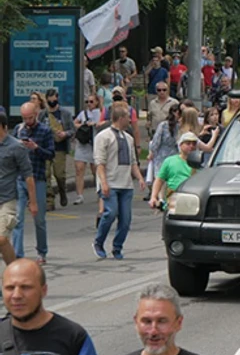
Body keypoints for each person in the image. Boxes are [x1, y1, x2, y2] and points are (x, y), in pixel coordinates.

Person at [0, 258, 104, 355]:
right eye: (10, 288)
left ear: (43, 290)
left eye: (26, 287)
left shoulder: (72, 336)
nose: (16, 295)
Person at [103, 283, 225, 355]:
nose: (153, 331)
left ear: (178, 323)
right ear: (136, 322)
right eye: (147, 321)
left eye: (162, 321)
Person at [93, 104, 145, 260]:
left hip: (126, 184)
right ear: (121, 118)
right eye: (128, 117)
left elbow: (133, 162)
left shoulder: (128, 138)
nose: (130, 120)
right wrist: (104, 183)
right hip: (110, 182)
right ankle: (99, 241)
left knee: (126, 219)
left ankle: (117, 247)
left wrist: (139, 177)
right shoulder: (103, 137)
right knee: (110, 213)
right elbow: (100, 163)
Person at [11, 102, 54, 264]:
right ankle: (18, 254)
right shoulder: (18, 129)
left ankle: (42, 252)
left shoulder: (45, 131)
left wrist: (36, 147)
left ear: (36, 114)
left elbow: (50, 154)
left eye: (30, 117)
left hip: (37, 178)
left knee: (39, 219)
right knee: (18, 218)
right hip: (20, 178)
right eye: (24, 118)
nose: (27, 121)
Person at [0, 114, 38, 265]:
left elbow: (28, 175)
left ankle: (13, 270)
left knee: (1, 238)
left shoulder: (16, 146)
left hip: (7, 200)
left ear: (3, 127)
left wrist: (33, 202)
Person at [40, 88, 75, 209]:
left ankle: (62, 190)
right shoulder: (43, 114)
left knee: (59, 174)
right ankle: (49, 201)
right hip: (45, 148)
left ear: (57, 98)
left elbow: (72, 129)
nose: (51, 102)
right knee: (46, 174)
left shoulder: (65, 113)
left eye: (53, 99)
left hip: (59, 147)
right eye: (49, 100)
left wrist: (65, 134)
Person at [149, 132, 198, 211]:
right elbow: (159, 180)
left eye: (194, 144)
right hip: (173, 203)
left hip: (193, 203)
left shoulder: (200, 164)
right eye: (188, 143)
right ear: (180, 145)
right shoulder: (170, 161)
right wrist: (153, 197)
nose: (191, 146)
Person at [73, 95, 102, 205]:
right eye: (87, 102)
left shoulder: (100, 113)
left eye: (91, 101)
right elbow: (75, 123)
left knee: (96, 170)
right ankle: (79, 195)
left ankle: (99, 191)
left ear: (96, 102)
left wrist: (95, 124)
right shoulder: (83, 113)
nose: (89, 104)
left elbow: (105, 123)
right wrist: (82, 125)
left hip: (94, 144)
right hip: (82, 143)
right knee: (79, 169)